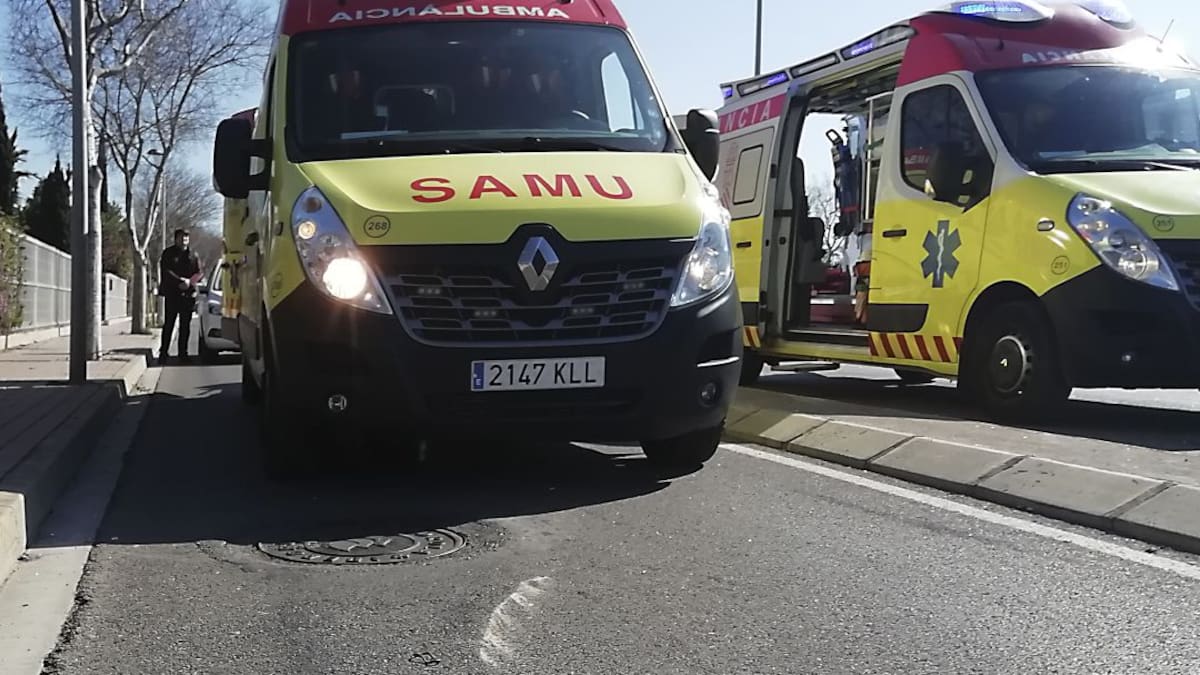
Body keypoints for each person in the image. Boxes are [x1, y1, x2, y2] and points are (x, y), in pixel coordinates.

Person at [158, 228, 202, 363]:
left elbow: (199, 273)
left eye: (186, 238)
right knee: (169, 324)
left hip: (187, 295)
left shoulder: (193, 255)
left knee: (185, 326)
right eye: (181, 237)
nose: (184, 240)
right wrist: (180, 281)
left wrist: (190, 282)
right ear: (176, 239)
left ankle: (183, 354)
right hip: (172, 294)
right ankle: (163, 353)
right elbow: (166, 271)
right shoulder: (168, 253)